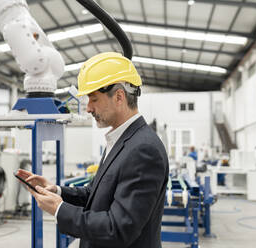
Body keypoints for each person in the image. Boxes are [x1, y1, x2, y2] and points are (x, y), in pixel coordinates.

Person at [17, 52, 169, 248]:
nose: (88, 108)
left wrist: (59, 209)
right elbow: (95, 195)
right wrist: (57, 191)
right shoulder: (123, 140)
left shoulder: (144, 149)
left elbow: (118, 228)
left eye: (93, 99)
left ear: (119, 97)